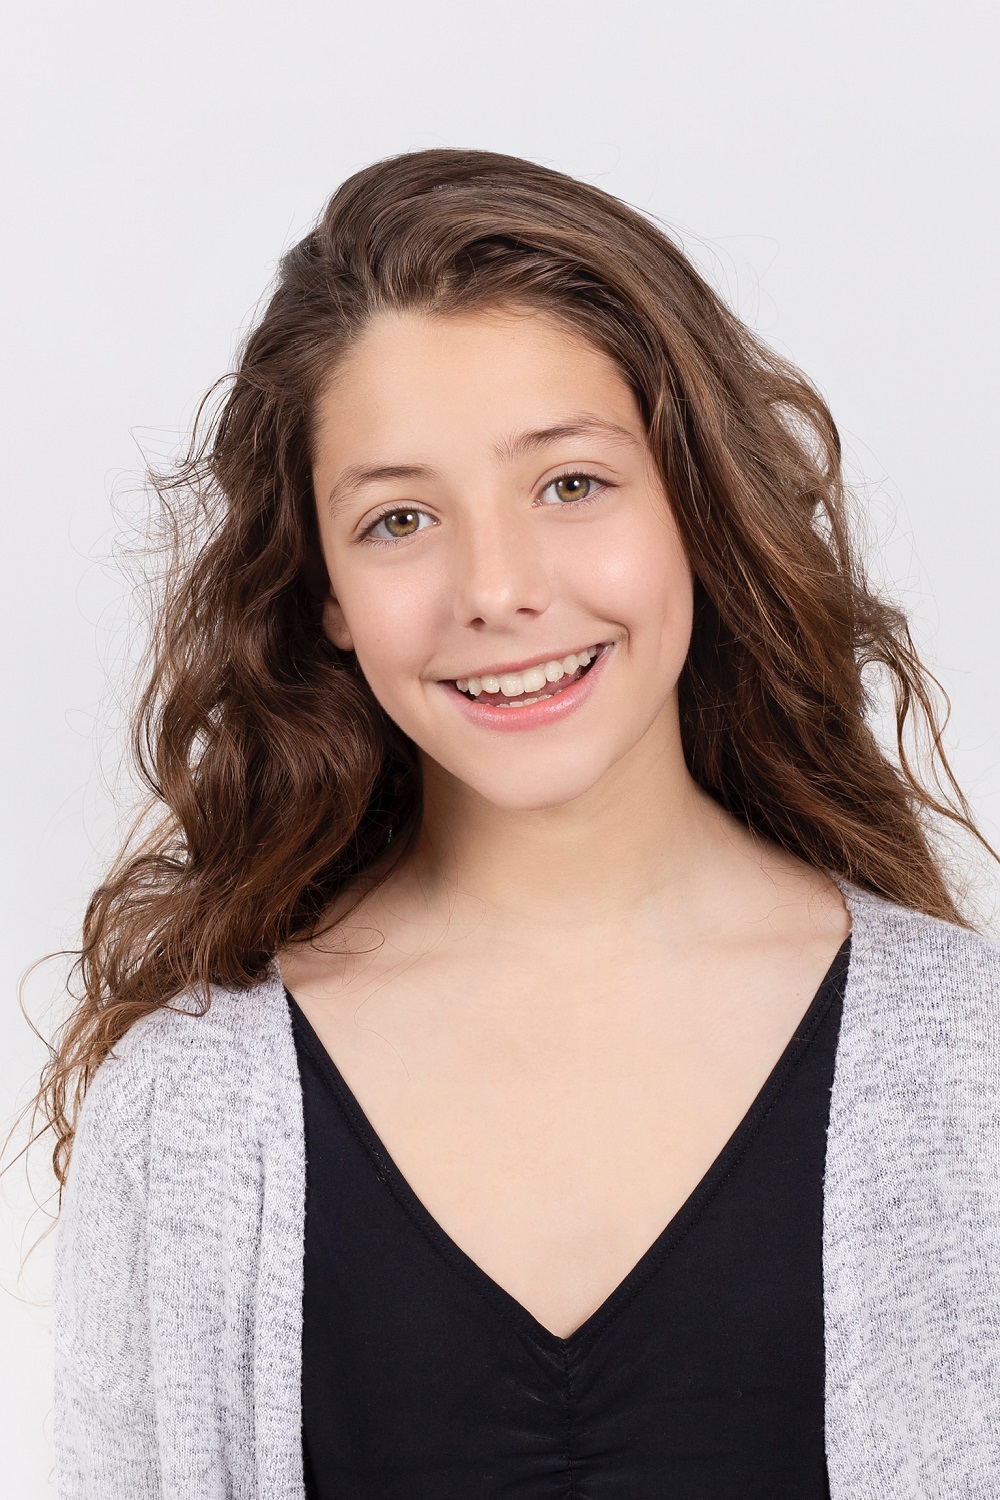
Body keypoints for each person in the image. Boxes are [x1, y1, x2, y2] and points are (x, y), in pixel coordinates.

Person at [38, 148, 999, 1498]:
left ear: (695, 503)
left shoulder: (969, 1066)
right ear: (324, 592)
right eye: (399, 518)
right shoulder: (189, 1116)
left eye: (570, 484)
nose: (496, 589)